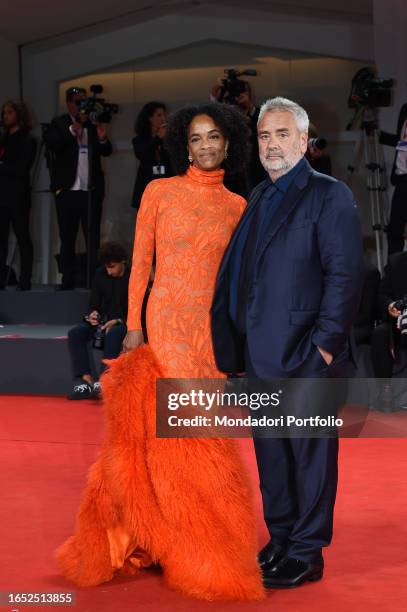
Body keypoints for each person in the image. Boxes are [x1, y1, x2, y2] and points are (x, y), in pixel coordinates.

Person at [57, 103, 265, 601]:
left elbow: (238, 284)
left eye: (215, 136)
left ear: (229, 143)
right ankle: (158, 541)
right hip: (165, 328)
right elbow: (142, 266)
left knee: (202, 443)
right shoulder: (159, 191)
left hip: (207, 340)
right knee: (156, 439)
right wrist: (132, 327)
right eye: (196, 139)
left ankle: (197, 545)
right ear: (182, 146)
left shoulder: (238, 206)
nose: (206, 146)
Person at [211, 97, 363, 588]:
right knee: (273, 454)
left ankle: (307, 551)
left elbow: (345, 276)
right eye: (264, 136)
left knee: (310, 457)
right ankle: (279, 539)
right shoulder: (258, 197)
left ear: (303, 140)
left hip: (306, 355)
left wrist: (323, 346)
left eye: (281, 134)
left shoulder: (329, 194)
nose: (272, 145)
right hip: (259, 354)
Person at [44, 86, 112, 289]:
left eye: (84, 102)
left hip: (90, 190)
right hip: (67, 190)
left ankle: (93, 281)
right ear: (69, 103)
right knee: (67, 236)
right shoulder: (60, 123)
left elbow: (106, 150)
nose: (81, 106)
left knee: (92, 237)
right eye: (77, 102)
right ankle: (68, 280)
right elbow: (54, 144)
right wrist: (74, 129)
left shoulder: (93, 123)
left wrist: (101, 137)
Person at [67, 242, 129, 400]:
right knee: (76, 333)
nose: (109, 271)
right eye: (106, 267)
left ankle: (104, 381)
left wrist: (118, 321)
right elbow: (94, 304)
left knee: (114, 333)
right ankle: (86, 381)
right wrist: (93, 314)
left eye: (112, 267)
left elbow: (139, 308)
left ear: (123, 261)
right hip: (104, 321)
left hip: (127, 322)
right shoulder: (100, 274)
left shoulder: (133, 275)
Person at [0, 100, 37, 290]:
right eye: (4, 113)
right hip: (1, 194)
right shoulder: (3, 138)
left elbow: (22, 168)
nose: (6, 116)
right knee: (1, 239)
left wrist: (3, 167)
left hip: (18, 195)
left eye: (9, 113)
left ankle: (25, 279)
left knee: (22, 237)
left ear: (18, 116)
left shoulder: (27, 140)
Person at [211, 78, 267, 193]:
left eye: (242, 91)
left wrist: (249, 107)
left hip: (258, 177)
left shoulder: (261, 115)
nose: (239, 95)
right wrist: (215, 99)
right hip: (232, 180)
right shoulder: (225, 118)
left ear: (250, 95)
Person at [371, 250, 407, 410]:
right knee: (380, 333)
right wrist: (390, 305)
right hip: (400, 321)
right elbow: (382, 294)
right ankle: (385, 391)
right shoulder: (396, 262)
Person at [131, 101, 173, 210]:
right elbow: (143, 155)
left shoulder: (169, 139)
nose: (163, 118)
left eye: (164, 115)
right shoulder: (139, 140)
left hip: (168, 190)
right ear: (149, 118)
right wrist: (157, 138)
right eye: (159, 115)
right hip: (147, 188)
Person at [380, 101, 407, 255]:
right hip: (402, 178)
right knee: (394, 231)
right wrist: (380, 136)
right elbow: (402, 142)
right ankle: (393, 273)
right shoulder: (405, 109)